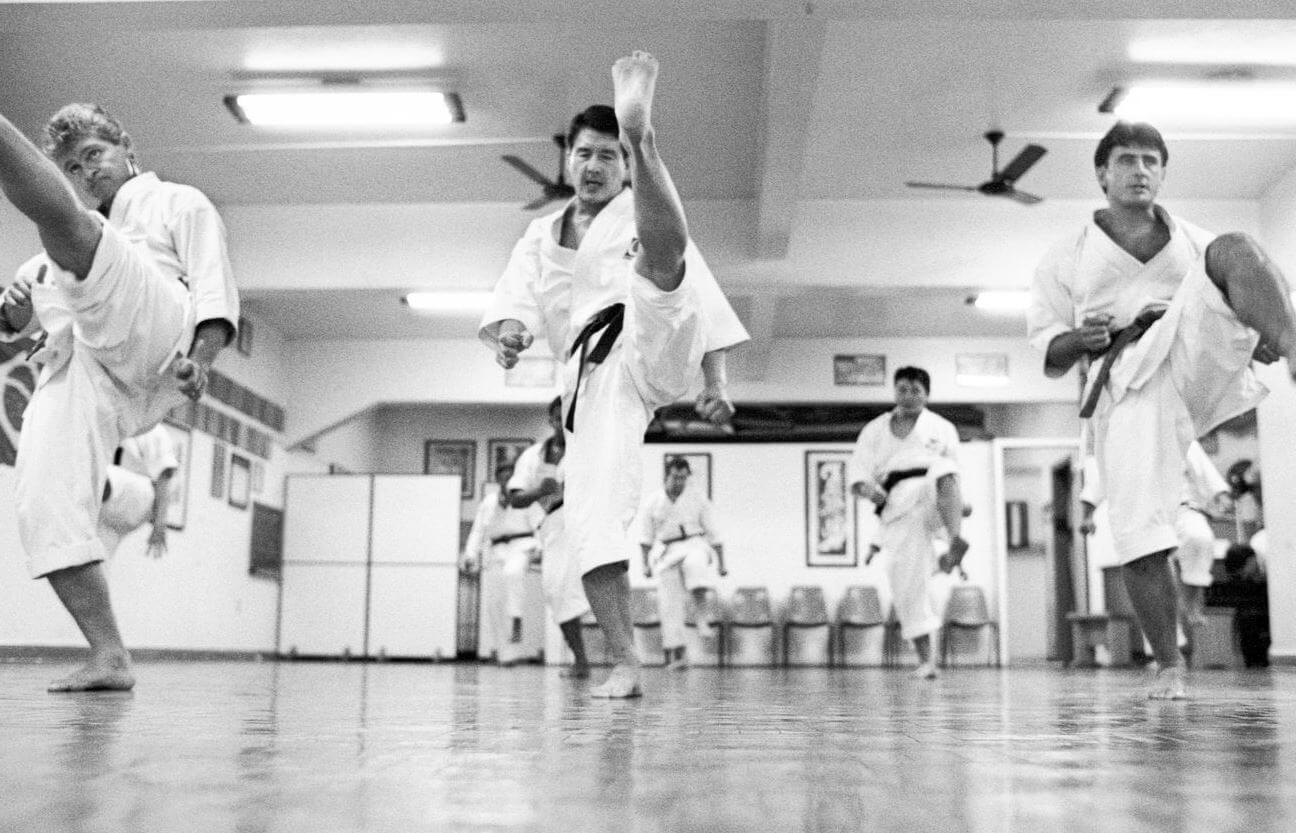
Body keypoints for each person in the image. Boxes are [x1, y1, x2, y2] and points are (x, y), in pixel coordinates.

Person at [1028, 120, 1296, 699]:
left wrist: (1270, 332)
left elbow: (1242, 281)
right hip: (1125, 379)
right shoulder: (1066, 253)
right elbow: (1049, 355)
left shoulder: (1192, 238)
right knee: (1139, 529)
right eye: (1126, 159)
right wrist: (1081, 338)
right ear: (1102, 173)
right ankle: (1169, 664)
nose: (1140, 170)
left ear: (1163, 172)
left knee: (1236, 248)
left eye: (1151, 160)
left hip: (1185, 346)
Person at [480, 52, 720, 697]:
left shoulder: (630, 214)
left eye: (609, 155)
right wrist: (510, 333)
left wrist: (717, 384)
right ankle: (625, 662)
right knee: (590, 524)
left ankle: (645, 133)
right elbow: (517, 302)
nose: (592, 165)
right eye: (586, 153)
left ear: (620, 169)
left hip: (649, 332)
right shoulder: (540, 236)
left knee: (663, 265)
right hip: (591, 379)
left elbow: (706, 299)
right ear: (568, 158)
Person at [0, 104, 238, 692]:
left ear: (127, 148)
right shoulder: (44, 262)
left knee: (73, 230)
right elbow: (12, 318)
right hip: (86, 364)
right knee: (42, 497)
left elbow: (214, 290)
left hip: (159, 333)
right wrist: (13, 313)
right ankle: (110, 656)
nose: (88, 173)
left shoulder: (179, 203)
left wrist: (199, 364)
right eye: (74, 169)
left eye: (94, 156)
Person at [848, 366, 966, 680]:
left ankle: (955, 539)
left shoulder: (941, 427)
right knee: (909, 588)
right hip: (898, 507)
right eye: (903, 389)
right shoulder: (875, 430)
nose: (909, 395)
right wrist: (867, 489)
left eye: (916, 390)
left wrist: (957, 503)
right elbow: (859, 472)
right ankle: (928, 661)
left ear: (927, 394)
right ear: (894, 392)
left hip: (932, 493)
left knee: (943, 470)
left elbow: (954, 471)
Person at [508, 396, 592, 679]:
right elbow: (515, 497)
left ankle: (614, 661)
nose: (562, 422)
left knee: (594, 587)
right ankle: (581, 660)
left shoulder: (586, 450)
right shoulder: (533, 456)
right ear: (551, 420)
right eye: (557, 417)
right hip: (552, 528)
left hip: (584, 523)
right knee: (557, 591)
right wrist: (539, 491)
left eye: (568, 416)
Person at [640, 456, 727, 670]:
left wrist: (722, 563)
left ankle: (701, 616)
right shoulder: (653, 502)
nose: (679, 482)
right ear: (667, 475)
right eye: (675, 477)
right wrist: (645, 565)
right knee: (669, 604)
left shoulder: (697, 498)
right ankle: (677, 654)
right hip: (666, 551)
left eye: (683, 478)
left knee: (695, 564)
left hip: (694, 544)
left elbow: (714, 532)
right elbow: (645, 538)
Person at [461, 460, 541, 666]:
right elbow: (478, 531)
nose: (506, 481)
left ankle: (516, 618)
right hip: (496, 551)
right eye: (502, 477)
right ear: (497, 480)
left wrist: (540, 548)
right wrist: (470, 555)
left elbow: (540, 524)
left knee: (513, 573)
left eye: (510, 477)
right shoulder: (489, 502)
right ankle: (505, 654)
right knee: (494, 603)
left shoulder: (526, 499)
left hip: (522, 546)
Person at [98, 424, 179, 560]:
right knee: (92, 557)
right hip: (105, 510)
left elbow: (164, 478)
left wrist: (159, 524)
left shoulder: (154, 431)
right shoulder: (106, 421)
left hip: (141, 496)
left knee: (99, 477)